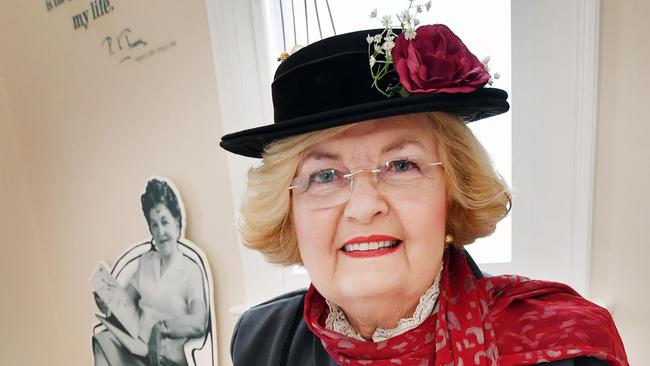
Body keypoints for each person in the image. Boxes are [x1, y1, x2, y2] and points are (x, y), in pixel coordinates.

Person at [219, 19, 628, 366]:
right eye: (325, 175)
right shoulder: (260, 341)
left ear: (452, 192)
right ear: (289, 210)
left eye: (401, 165)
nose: (364, 207)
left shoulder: (569, 349)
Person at [93, 178, 207, 366]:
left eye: (165, 222)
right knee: (103, 340)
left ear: (177, 223)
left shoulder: (190, 270)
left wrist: (161, 328)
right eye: (154, 224)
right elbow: (124, 306)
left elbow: (198, 322)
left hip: (165, 359)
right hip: (138, 350)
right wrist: (107, 304)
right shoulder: (145, 262)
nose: (161, 231)